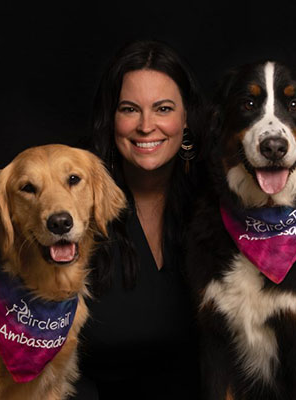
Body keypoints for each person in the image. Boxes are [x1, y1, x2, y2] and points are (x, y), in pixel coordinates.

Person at [72, 39, 206, 400]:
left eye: (163, 108)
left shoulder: (218, 197)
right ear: (110, 117)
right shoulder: (70, 200)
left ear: (186, 117)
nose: (147, 126)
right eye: (130, 109)